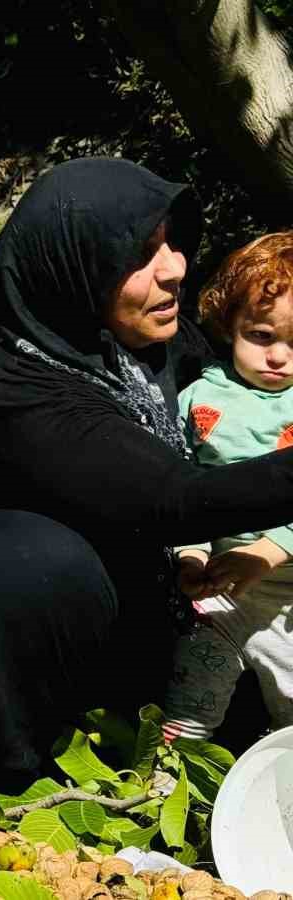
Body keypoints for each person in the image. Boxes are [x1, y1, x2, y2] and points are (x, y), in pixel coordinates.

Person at [0, 158, 293, 790]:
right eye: (141, 254)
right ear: (74, 269)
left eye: (173, 243)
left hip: (83, 641)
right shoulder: (13, 384)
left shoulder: (146, 351)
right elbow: (179, 498)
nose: (175, 266)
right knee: (42, 557)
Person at [163, 232, 293, 740]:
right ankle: (166, 791)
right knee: (186, 711)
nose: (278, 356)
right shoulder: (198, 395)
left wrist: (268, 551)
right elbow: (179, 488)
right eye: (262, 335)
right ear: (229, 324)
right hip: (221, 593)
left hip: (288, 599)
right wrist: (190, 556)